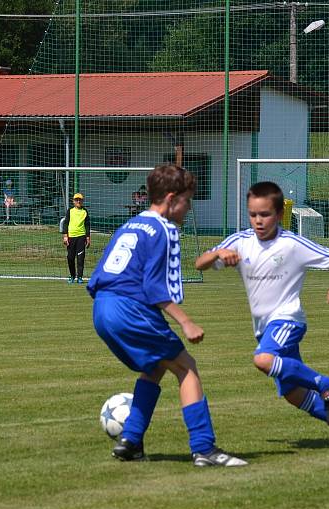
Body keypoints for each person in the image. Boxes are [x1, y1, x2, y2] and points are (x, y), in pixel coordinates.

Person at [195, 181, 329, 449]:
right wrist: (216, 254)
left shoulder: (291, 244)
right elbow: (199, 263)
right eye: (253, 214)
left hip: (288, 320)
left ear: (280, 214)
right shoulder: (239, 242)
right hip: (264, 328)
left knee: (263, 359)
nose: (258, 221)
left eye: (265, 214)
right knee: (294, 395)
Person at [87, 164, 247, 467]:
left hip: (102, 307)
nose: (189, 208)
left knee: (156, 367)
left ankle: (131, 440)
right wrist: (185, 320)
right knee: (186, 367)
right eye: (187, 200)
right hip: (131, 307)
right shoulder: (165, 229)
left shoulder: (131, 224)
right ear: (172, 199)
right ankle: (204, 449)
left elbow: (100, 277)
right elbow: (154, 287)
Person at [62, 192, 91, 284]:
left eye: (80, 200)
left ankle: (80, 277)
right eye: (76, 199)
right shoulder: (70, 211)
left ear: (82, 201)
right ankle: (72, 275)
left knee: (80, 258)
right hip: (71, 237)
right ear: (73, 201)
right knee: (70, 258)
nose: (78, 201)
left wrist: (88, 237)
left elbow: (87, 225)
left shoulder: (85, 211)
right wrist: (65, 236)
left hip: (81, 237)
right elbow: (66, 223)